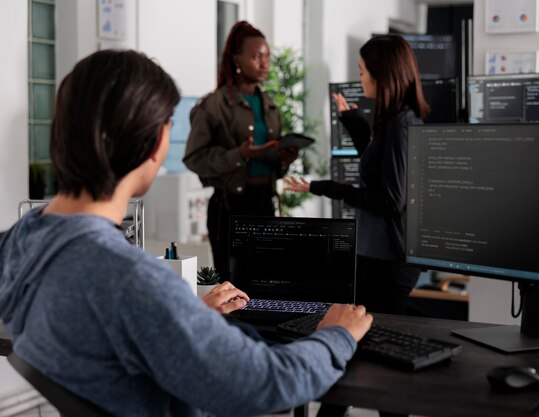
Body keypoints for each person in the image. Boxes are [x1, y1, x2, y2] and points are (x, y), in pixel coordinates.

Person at [0, 49, 373, 417]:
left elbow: (98, 333)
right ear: (154, 144)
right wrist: (337, 334)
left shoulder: (19, 241)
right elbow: (267, 383)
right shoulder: (131, 281)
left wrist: (184, 315)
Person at [285, 35, 429, 417]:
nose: (359, 77)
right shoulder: (390, 122)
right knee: (356, 346)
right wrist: (352, 120)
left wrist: (326, 187)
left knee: (367, 350)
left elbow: (388, 198)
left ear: (382, 76)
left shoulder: (401, 125)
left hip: (389, 261)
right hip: (373, 254)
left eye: (363, 71)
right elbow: (374, 163)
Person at [183, 21, 298, 281]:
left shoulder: (270, 106)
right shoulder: (214, 105)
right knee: (234, 290)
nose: (264, 63)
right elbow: (194, 158)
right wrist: (240, 155)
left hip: (265, 204)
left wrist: (283, 160)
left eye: (267, 57)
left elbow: (271, 163)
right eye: (257, 57)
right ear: (236, 59)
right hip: (230, 207)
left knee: (268, 284)